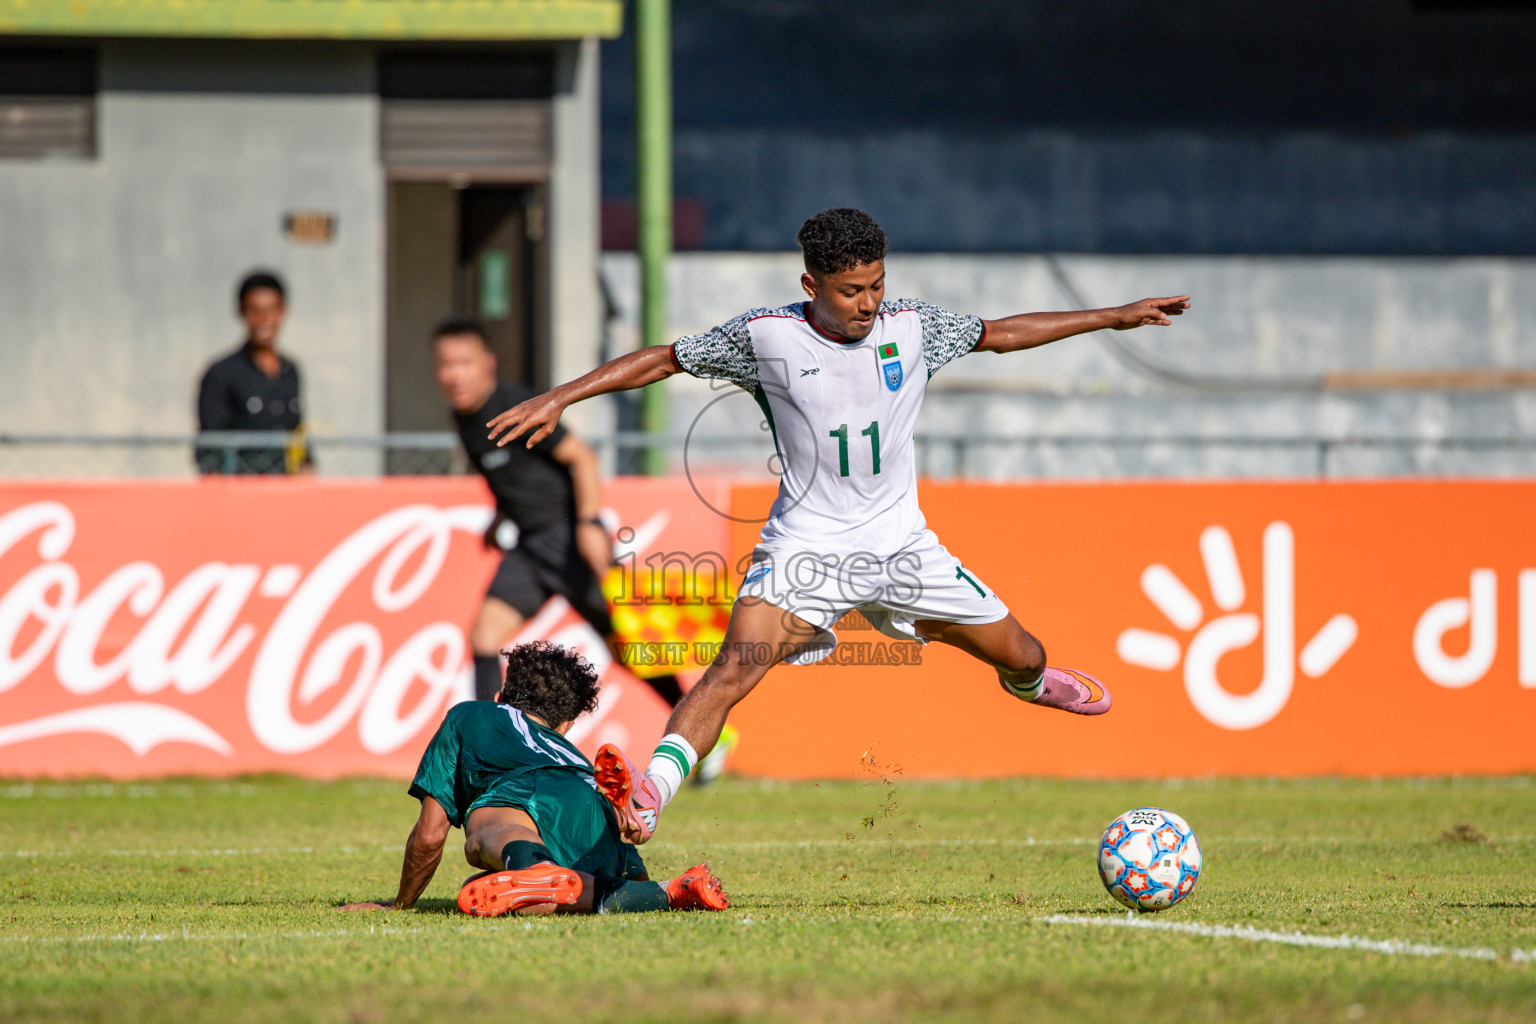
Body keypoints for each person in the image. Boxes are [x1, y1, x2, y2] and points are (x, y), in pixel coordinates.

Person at [487, 207, 1191, 844]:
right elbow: (663, 360)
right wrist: (562, 396)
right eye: (851, 290)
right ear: (812, 284)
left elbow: (1002, 335)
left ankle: (1031, 685)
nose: (869, 302)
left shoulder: (914, 326)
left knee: (1026, 655)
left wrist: (1114, 317)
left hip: (904, 547)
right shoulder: (765, 336)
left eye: (877, 285)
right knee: (733, 669)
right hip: (806, 548)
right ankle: (650, 798)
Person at [339, 641, 728, 917]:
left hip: (526, 794)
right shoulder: (571, 753)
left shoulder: (469, 715)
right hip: (590, 799)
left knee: (483, 833)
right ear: (566, 725)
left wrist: (400, 904)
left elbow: (429, 834)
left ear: (500, 697)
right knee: (499, 893)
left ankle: (533, 867)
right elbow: (630, 868)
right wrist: (641, 883)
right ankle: (668, 890)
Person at [432, 318, 695, 716]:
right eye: (446, 365)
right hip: (530, 547)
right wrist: (501, 517)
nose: (455, 375)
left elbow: (582, 458)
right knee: (484, 638)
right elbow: (513, 473)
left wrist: (588, 524)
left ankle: (701, 728)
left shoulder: (514, 406)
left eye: (464, 363)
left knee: (629, 648)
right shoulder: (464, 415)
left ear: (488, 363)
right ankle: (488, 741)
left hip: (570, 542)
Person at [195, 270, 313, 475]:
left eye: (271, 310)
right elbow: (210, 451)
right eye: (255, 310)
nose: (264, 319)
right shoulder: (221, 373)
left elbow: (298, 434)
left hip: (285, 486)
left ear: (283, 311)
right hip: (240, 486)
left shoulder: (290, 370)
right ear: (242, 312)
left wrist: (307, 469)